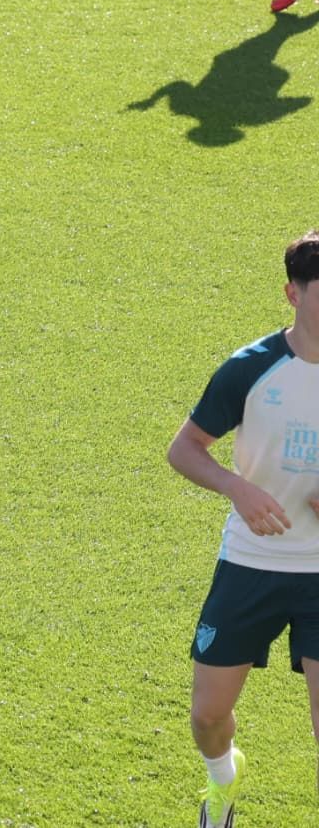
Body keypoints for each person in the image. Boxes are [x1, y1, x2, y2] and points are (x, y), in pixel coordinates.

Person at [168, 231, 319, 828]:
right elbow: (186, 449)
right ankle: (223, 784)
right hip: (252, 562)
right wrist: (239, 487)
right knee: (207, 715)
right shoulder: (250, 369)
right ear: (293, 294)